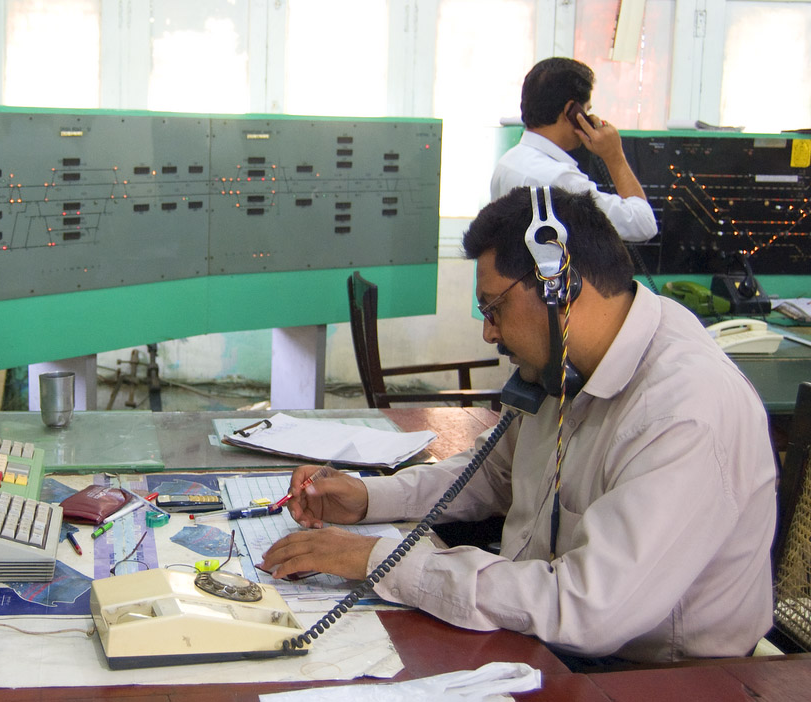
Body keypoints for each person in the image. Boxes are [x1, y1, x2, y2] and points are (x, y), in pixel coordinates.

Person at [259, 187, 775, 664]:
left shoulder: (684, 410)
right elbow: (489, 472)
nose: (488, 333)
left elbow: (588, 607)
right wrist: (369, 498)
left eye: (494, 308)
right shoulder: (564, 367)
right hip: (543, 640)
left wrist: (379, 558)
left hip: (651, 677)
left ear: (561, 285)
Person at [491, 57, 657, 243]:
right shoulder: (559, 179)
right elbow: (644, 224)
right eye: (586, 110)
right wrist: (615, 157)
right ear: (572, 111)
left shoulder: (507, 162)